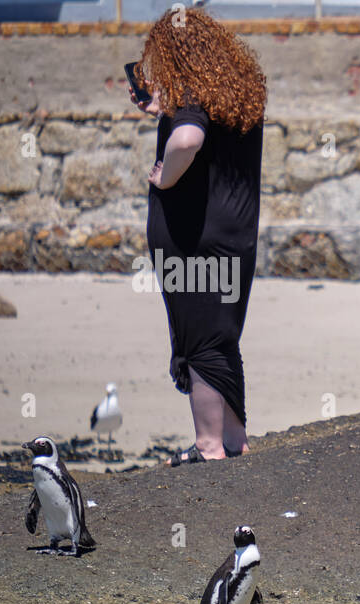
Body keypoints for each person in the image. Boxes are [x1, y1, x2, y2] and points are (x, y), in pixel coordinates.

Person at [132, 9, 266, 465]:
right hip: (236, 234)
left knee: (201, 342)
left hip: (195, 237)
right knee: (221, 336)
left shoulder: (192, 93)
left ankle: (209, 447)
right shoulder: (237, 92)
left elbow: (188, 140)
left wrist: (163, 179)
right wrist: (163, 108)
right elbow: (199, 129)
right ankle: (232, 439)